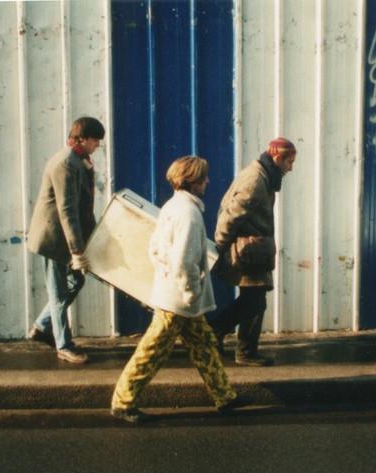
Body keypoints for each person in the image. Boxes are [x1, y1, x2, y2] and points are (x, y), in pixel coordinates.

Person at [110, 156, 241, 424]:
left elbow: (155, 248)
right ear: (192, 181)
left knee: (204, 344)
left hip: (174, 294)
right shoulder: (189, 214)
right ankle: (122, 403)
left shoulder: (173, 206)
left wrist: (168, 274)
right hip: (179, 300)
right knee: (152, 351)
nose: (208, 181)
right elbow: (184, 261)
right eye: (204, 177)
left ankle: (226, 397)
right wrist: (190, 292)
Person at [208, 137, 297, 367]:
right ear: (278, 158)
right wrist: (220, 245)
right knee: (255, 301)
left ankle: (222, 336)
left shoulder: (263, 175)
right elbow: (230, 215)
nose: (291, 168)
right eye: (289, 162)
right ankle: (238, 347)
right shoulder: (256, 180)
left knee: (253, 300)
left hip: (253, 249)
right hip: (248, 251)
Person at [27, 116, 105, 364]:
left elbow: (82, 208)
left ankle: (41, 326)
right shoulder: (65, 163)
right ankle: (64, 345)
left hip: (62, 237)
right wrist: (77, 250)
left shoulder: (79, 161)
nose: (98, 146)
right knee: (59, 292)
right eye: (95, 140)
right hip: (53, 239)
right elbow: (67, 210)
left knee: (76, 282)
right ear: (82, 138)